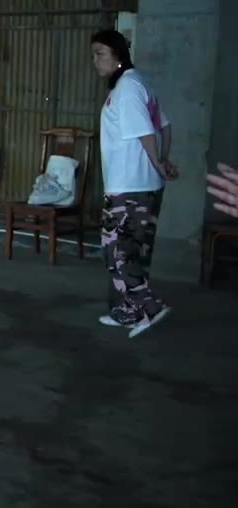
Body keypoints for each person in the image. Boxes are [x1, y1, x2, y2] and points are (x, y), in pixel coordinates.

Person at [91, 29, 177, 338]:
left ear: (118, 56)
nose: (96, 61)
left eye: (100, 54)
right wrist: (162, 161)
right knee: (134, 252)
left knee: (116, 252)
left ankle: (149, 307)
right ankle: (125, 312)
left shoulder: (127, 88)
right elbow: (165, 127)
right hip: (145, 186)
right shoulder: (139, 82)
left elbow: (146, 132)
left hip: (128, 187)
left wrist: (158, 162)